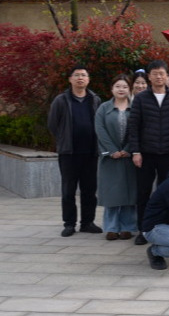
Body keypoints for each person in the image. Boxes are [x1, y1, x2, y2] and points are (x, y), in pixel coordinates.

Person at [128, 60, 169, 246]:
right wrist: (135, 151)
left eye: (162, 73)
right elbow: (133, 127)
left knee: (166, 192)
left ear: (167, 76)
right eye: (155, 73)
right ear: (149, 77)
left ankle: (164, 228)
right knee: (143, 193)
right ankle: (144, 230)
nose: (159, 77)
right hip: (146, 153)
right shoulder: (141, 99)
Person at [47, 65, 103, 237]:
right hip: (69, 153)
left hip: (90, 153)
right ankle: (69, 224)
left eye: (84, 75)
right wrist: (63, 139)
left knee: (89, 190)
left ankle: (87, 222)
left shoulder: (95, 99)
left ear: (88, 79)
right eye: (77, 75)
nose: (80, 78)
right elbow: (53, 124)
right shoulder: (61, 100)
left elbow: (100, 123)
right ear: (70, 79)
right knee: (68, 190)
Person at [95, 74, 137, 241]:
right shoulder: (103, 108)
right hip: (109, 158)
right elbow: (100, 130)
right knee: (111, 193)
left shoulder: (135, 107)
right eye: (118, 86)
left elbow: (138, 130)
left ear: (130, 89)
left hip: (129, 157)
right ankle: (111, 227)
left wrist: (127, 149)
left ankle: (128, 227)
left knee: (129, 193)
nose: (121, 89)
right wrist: (112, 150)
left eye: (125, 87)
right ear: (112, 89)